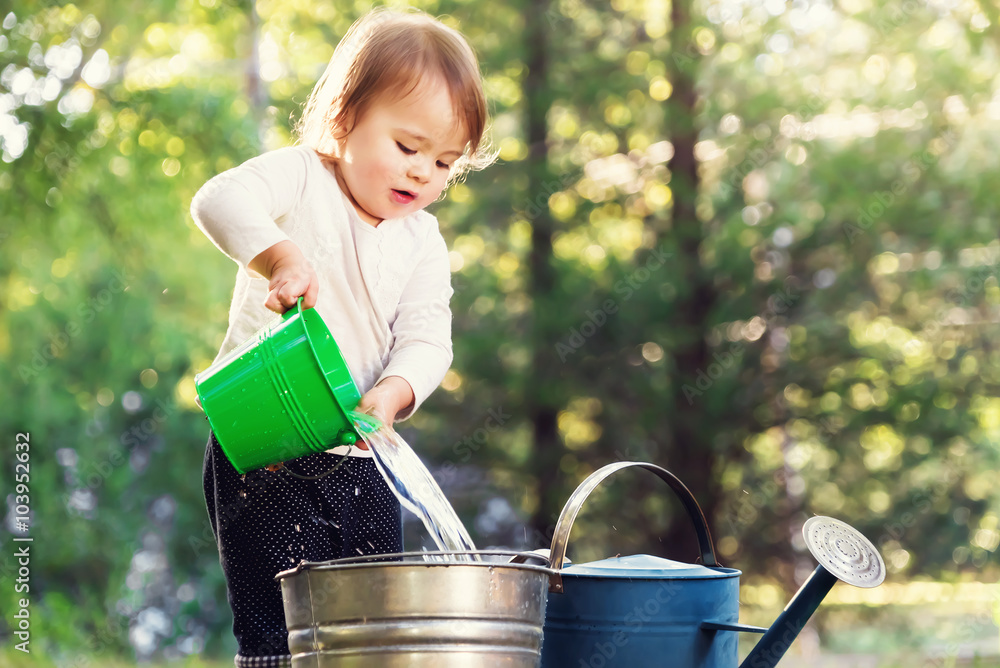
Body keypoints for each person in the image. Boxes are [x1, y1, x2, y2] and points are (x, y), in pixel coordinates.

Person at [190, 9, 493, 666]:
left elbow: (428, 336)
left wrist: (390, 395)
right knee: (284, 630)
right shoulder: (301, 176)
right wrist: (279, 257)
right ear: (344, 117)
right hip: (265, 444)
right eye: (409, 147)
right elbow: (218, 200)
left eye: (444, 162)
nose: (423, 174)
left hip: (363, 456)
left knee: (372, 628)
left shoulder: (422, 241)